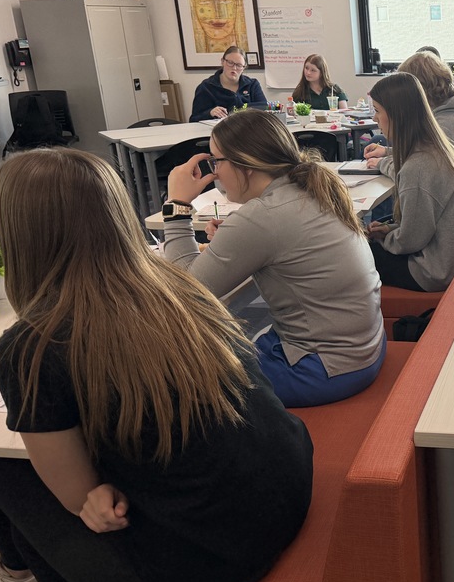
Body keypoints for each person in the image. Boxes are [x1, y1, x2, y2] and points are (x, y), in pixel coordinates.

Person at [0, 148, 312, 582]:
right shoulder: (178, 286)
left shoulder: (33, 345)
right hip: (287, 495)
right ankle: (17, 569)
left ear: (20, 234)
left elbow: (79, 499)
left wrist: (89, 495)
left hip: (205, 564)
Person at [163, 110, 385, 408]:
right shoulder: (311, 188)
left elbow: (183, 294)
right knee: (239, 342)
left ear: (247, 165)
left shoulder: (262, 217)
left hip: (326, 369)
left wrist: (176, 205)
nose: (214, 173)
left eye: (217, 161)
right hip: (365, 349)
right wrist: (235, 236)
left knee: (176, 380)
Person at [363, 72, 454, 292]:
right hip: (446, 260)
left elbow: (410, 241)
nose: (374, 119)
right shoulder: (436, 149)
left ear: (397, 115)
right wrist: (390, 229)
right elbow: (424, 224)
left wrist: (387, 237)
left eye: (377, 111)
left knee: (354, 254)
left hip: (431, 271)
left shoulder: (419, 167)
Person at [367, 50, 454, 236]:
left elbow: (417, 174)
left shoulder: (445, 125)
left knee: (378, 230)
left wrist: (383, 163)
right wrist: (388, 152)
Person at [190, 45, 268, 121]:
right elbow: (194, 119)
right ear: (222, 62)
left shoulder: (252, 85)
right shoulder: (206, 87)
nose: (234, 68)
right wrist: (210, 113)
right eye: (230, 63)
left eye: (239, 65)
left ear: (244, 68)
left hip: (248, 129)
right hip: (218, 131)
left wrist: (242, 108)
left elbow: (264, 110)